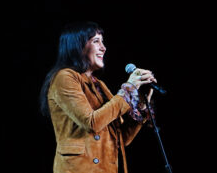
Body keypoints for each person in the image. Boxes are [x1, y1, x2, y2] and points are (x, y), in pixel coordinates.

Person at [39, 21, 157, 173]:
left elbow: (121, 139)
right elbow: (92, 122)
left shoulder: (99, 85)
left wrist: (141, 104)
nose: (103, 48)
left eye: (103, 42)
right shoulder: (64, 77)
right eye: (96, 41)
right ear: (77, 46)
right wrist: (128, 89)